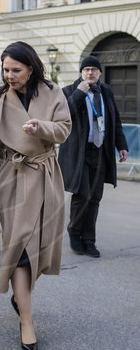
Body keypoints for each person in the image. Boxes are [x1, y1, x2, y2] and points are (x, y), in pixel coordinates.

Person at [0, 41, 71, 350]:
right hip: (12, 179)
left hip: (45, 175)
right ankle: (27, 322)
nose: (9, 75)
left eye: (15, 70)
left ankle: (21, 295)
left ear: (30, 68)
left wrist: (41, 128)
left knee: (40, 247)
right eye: (5, 70)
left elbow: (64, 129)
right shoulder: (0, 102)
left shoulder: (52, 92)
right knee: (19, 248)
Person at [58, 55, 128, 258]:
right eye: (86, 69)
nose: (90, 73)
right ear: (81, 72)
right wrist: (80, 94)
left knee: (95, 198)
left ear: (99, 72)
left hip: (100, 152)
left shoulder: (106, 91)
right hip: (79, 153)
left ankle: (89, 240)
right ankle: (74, 232)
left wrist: (121, 145)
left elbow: (115, 120)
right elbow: (64, 115)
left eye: (94, 69)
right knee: (82, 195)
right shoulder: (70, 91)